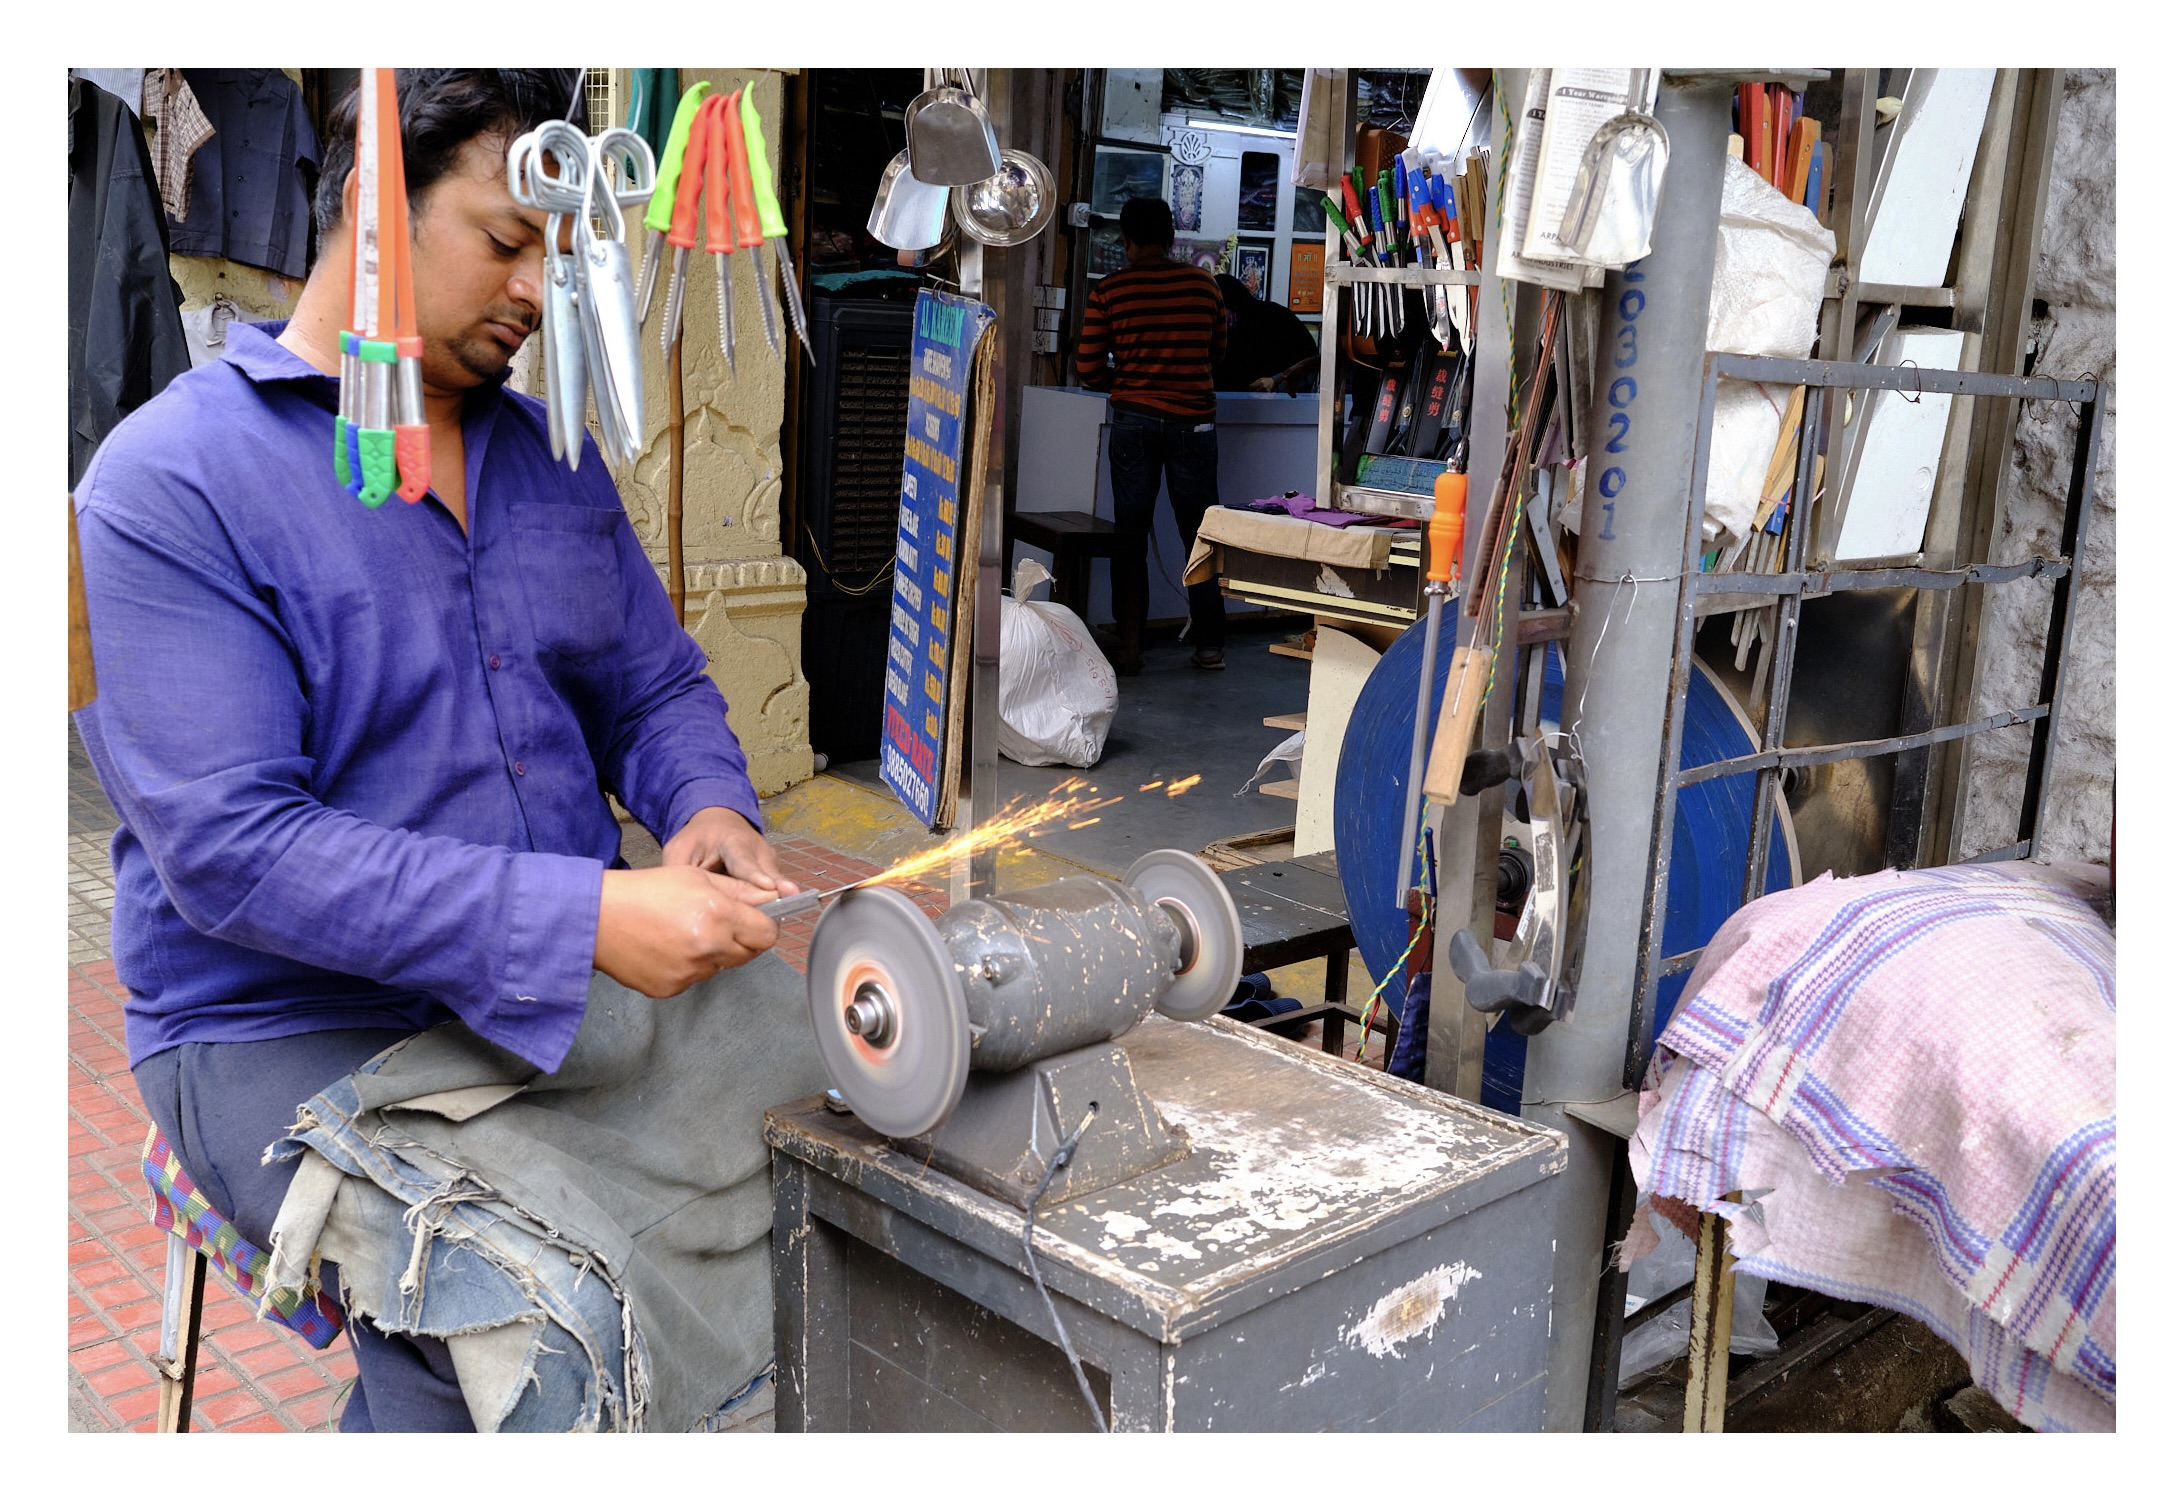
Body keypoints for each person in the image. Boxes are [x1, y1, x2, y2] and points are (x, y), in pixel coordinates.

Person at [71, 70, 818, 1431]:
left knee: (833, 1145)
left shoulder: (557, 461)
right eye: (503, 240)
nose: (537, 292)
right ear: (371, 208)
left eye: (560, 255)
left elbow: (654, 690)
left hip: (539, 987)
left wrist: (705, 806)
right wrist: (583, 914)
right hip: (279, 1026)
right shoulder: (168, 482)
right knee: (535, 1325)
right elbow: (239, 858)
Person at [1073, 197, 1228, 674]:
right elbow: (1217, 354)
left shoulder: (1110, 291)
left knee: (1130, 535)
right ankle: (1209, 645)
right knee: (1201, 534)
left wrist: (1126, 383)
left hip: (1134, 424)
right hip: (1194, 425)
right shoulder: (1204, 288)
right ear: (1170, 236)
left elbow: (1086, 368)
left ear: (1126, 240)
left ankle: (1132, 644)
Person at [1212, 271, 1321, 395]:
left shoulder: (1276, 319)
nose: (1216, 318)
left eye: (1219, 310)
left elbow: (1309, 362)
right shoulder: (1218, 334)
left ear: (1233, 306)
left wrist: (1276, 382)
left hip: (1280, 407)